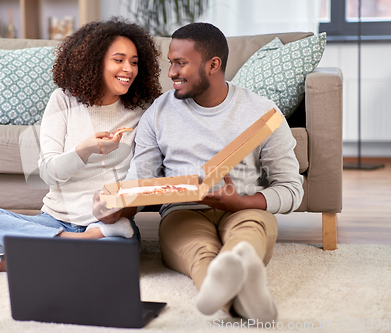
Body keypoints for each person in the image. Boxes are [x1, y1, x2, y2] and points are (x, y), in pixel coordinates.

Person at [93, 22, 303, 322]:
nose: (171, 73)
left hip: (245, 208)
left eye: (180, 63)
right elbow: (140, 182)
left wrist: (242, 203)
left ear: (213, 65)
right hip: (183, 212)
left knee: (247, 236)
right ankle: (242, 299)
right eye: (170, 63)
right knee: (199, 253)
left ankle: (234, 281)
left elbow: (292, 189)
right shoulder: (159, 112)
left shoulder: (263, 113)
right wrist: (114, 209)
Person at [0, 17, 162, 275]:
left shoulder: (142, 110)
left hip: (106, 221)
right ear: (95, 60)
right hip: (54, 220)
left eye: (134, 62)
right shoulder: (63, 100)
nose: (128, 69)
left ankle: (7, 262)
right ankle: (81, 244)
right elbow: (48, 174)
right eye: (119, 60)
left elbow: (142, 175)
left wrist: (116, 212)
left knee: (120, 260)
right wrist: (84, 150)